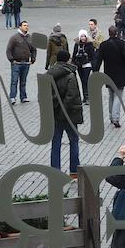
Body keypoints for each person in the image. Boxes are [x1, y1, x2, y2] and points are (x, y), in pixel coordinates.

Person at [47, 49, 84, 177]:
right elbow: (72, 96)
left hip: (54, 114)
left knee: (55, 141)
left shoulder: (49, 74)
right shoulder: (70, 75)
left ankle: (55, 170)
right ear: (68, 60)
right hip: (69, 115)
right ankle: (74, 171)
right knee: (73, 141)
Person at [94, 24, 125, 128]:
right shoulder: (121, 43)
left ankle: (111, 117)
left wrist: (95, 71)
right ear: (116, 33)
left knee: (111, 95)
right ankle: (115, 118)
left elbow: (99, 59)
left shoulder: (103, 45)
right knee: (118, 96)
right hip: (120, 74)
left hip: (109, 74)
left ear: (109, 33)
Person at [6, 20, 37, 104]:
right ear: (20, 27)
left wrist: (33, 59)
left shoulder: (30, 37)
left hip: (26, 63)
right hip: (16, 63)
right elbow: (9, 50)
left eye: (27, 25)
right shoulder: (14, 37)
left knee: (23, 81)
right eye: (24, 25)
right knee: (14, 81)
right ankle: (12, 97)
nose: (26, 27)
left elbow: (34, 49)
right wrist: (12, 60)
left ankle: (23, 97)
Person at [72, 29, 96, 103]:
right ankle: (85, 97)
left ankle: (87, 97)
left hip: (87, 65)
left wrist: (93, 65)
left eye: (84, 36)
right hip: (79, 65)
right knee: (82, 81)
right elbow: (74, 54)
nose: (83, 38)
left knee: (86, 80)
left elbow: (93, 55)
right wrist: (73, 63)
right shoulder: (77, 45)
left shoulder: (89, 44)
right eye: (81, 36)